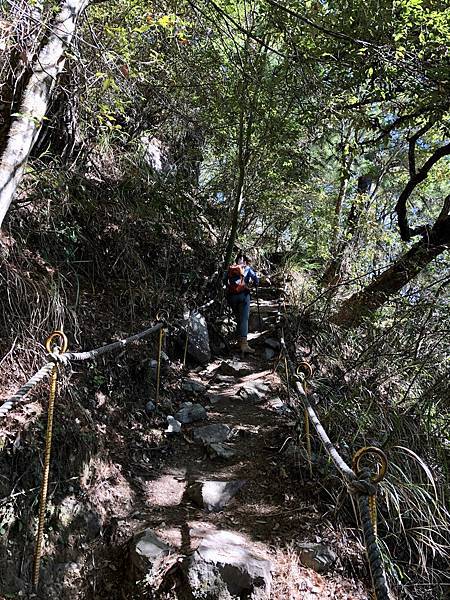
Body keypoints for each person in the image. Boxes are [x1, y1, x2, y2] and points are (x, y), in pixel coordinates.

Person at [225, 253, 259, 354]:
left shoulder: (231, 268)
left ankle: (238, 341)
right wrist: (254, 284)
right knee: (244, 319)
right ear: (245, 261)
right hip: (244, 296)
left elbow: (223, 280)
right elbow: (256, 280)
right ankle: (244, 345)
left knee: (238, 318)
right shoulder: (247, 268)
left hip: (232, 297)